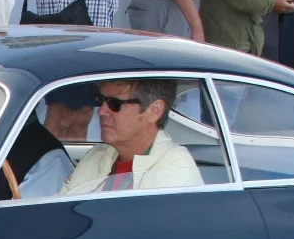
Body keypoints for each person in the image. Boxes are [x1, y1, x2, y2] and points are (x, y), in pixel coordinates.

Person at [59, 78, 201, 193]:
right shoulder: (98, 154)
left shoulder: (175, 170)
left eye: (114, 104)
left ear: (154, 111)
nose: (101, 111)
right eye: (101, 100)